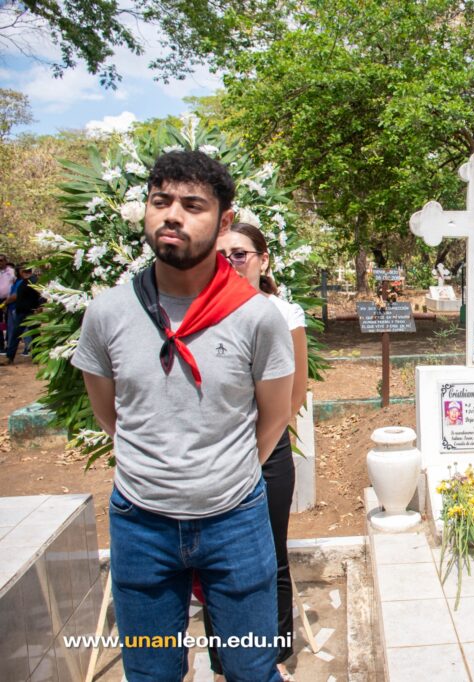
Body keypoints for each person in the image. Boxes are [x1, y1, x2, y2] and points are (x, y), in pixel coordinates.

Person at [72, 151, 294, 682]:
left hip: (235, 521)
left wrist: (220, 474)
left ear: (221, 224)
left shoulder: (257, 317)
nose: (172, 214)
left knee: (251, 668)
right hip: (140, 523)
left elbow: (274, 416)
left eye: (192, 205)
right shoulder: (107, 313)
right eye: (160, 201)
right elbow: (112, 415)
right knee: (149, 671)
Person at [202, 222, 308, 682]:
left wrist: (252, 451)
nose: (229, 263)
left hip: (267, 456)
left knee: (270, 554)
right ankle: (224, 663)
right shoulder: (197, 312)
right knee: (214, 562)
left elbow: (293, 397)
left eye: (240, 254)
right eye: (220, 254)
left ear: (264, 260)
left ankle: (274, 653)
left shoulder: (284, 314)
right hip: (211, 457)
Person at [5, 265, 43, 364]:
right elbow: (18, 296)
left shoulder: (33, 280)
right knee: (16, 335)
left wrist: (39, 306)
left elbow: (43, 294)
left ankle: (37, 357)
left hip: (31, 312)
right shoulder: (23, 282)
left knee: (34, 335)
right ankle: (10, 357)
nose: (25, 272)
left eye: (27, 270)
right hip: (22, 312)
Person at [0, 254, 16, 350]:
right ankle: (0, 345)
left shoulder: (12, 272)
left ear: (5, 261)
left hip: (9, 300)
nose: (0, 262)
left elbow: (15, 284)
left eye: (1, 260)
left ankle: (9, 344)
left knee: (9, 322)